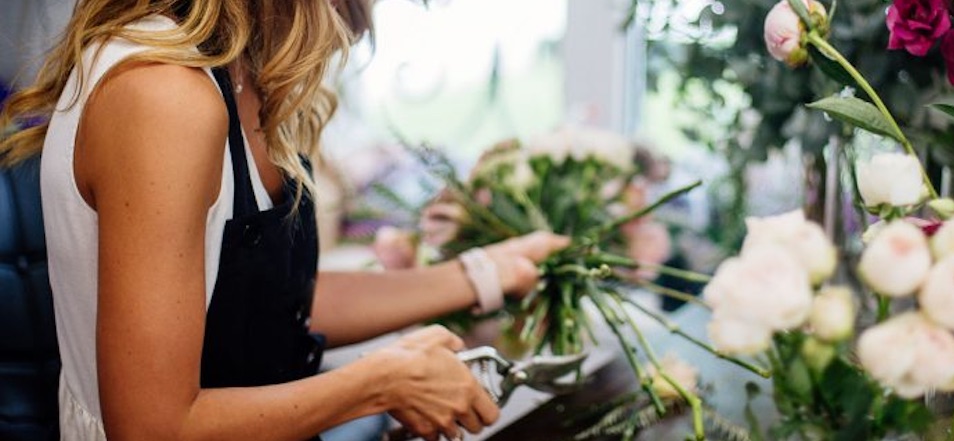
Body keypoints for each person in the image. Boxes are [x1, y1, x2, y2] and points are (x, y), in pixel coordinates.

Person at [0, 1, 569, 440]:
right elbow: (155, 428)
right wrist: (381, 383)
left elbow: (264, 302)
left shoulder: (240, 68)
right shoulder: (164, 91)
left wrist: (485, 272)